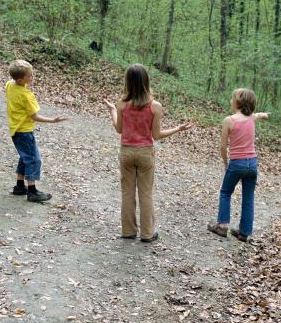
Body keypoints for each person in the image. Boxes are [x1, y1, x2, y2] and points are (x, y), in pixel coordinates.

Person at [104, 64, 194, 243]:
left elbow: (119, 129)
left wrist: (113, 111)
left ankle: (128, 231)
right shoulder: (155, 106)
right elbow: (157, 135)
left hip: (126, 152)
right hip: (145, 153)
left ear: (127, 81)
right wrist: (178, 128)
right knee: (146, 193)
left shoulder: (122, 104)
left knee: (127, 193)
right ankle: (147, 234)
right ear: (146, 81)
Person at [208, 88, 269, 242]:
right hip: (252, 164)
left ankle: (222, 226)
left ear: (239, 102)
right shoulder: (251, 118)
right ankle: (244, 232)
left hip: (237, 163)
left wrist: (225, 162)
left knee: (225, 192)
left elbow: (223, 146)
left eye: (232, 98)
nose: (230, 101)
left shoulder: (229, 120)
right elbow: (259, 115)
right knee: (248, 197)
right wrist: (264, 115)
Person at [5, 60, 67, 203]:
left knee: (24, 157)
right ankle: (32, 192)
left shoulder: (9, 85)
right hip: (24, 132)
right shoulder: (26, 95)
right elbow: (34, 116)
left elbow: (12, 81)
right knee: (34, 159)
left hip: (15, 130)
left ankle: (19, 186)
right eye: (30, 76)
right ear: (20, 79)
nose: (32, 78)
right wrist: (53, 120)